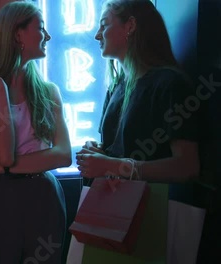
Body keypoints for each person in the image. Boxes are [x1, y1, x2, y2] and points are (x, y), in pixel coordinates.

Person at [76, 0, 203, 259]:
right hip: (114, 215)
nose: (97, 35)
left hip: (153, 218)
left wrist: (113, 165)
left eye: (104, 25)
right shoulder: (118, 85)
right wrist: (101, 153)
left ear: (130, 26)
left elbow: (188, 166)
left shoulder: (170, 84)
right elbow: (122, 149)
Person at [0, 1, 72, 263]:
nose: (48, 36)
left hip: (43, 198)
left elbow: (64, 155)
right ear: (17, 33)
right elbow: (4, 154)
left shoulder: (48, 91)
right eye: (40, 28)